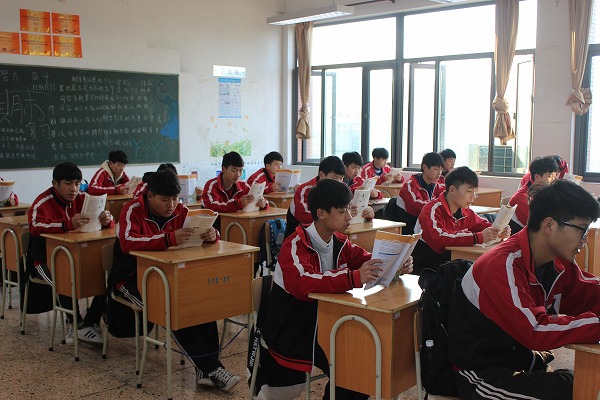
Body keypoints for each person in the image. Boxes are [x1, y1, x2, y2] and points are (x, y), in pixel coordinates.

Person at [258, 179, 413, 400]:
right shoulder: (295, 245)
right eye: (342, 212)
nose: (349, 217)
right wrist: (353, 277)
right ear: (321, 213)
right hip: (295, 329)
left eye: (349, 209)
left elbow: (369, 260)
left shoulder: (339, 241)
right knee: (354, 369)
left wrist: (396, 264)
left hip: (327, 323)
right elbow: (303, 284)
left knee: (363, 368)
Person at [448, 179, 600, 400]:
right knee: (574, 392)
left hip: (519, 360)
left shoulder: (559, 262)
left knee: (586, 385)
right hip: (480, 373)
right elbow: (535, 330)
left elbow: (588, 294)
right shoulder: (502, 265)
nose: (584, 240)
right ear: (549, 225)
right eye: (581, 230)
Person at [108, 170, 241, 392]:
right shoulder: (132, 209)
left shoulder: (180, 210)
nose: (171, 205)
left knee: (201, 306)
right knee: (171, 308)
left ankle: (205, 370)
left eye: (175, 199)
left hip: (168, 279)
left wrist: (212, 236)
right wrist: (168, 239)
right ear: (150, 195)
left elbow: (202, 232)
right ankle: (212, 368)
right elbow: (127, 243)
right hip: (131, 281)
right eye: (164, 200)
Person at [28, 162, 113, 344]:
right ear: (55, 183)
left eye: (77, 183)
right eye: (68, 183)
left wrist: (107, 220)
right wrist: (66, 224)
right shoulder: (43, 202)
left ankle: (89, 323)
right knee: (64, 279)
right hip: (44, 260)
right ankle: (76, 324)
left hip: (76, 258)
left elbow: (104, 223)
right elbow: (35, 226)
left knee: (106, 278)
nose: (74, 189)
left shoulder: (84, 198)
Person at [413, 166, 510, 273]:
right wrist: (477, 237)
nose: (473, 196)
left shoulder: (466, 211)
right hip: (428, 268)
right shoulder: (431, 210)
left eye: (475, 191)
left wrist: (499, 230)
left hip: (452, 264)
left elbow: (483, 225)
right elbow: (439, 239)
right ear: (452, 190)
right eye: (469, 191)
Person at [285, 156, 375, 238]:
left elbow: (351, 210)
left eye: (341, 178)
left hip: (332, 236)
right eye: (334, 178)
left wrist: (365, 215)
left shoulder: (342, 188)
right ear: (321, 175)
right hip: (301, 239)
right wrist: (343, 214)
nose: (338, 182)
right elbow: (307, 220)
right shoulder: (304, 190)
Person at [201, 151, 268, 215]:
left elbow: (257, 200)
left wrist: (263, 204)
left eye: (240, 170)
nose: (238, 174)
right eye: (234, 171)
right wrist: (237, 204)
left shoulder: (243, 186)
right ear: (223, 169)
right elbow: (212, 207)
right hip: (215, 221)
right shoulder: (212, 185)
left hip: (235, 221)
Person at [393, 152, 445, 234]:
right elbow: (417, 207)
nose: (439, 173)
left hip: (423, 227)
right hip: (408, 229)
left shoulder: (437, 187)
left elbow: (446, 199)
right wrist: (439, 206)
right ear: (424, 167)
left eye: (441, 169)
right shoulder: (409, 186)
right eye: (436, 169)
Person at [509, 156, 559, 234]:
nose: (553, 180)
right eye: (550, 176)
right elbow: (540, 225)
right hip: (526, 238)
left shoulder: (543, 193)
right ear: (537, 177)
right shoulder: (522, 198)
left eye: (554, 176)